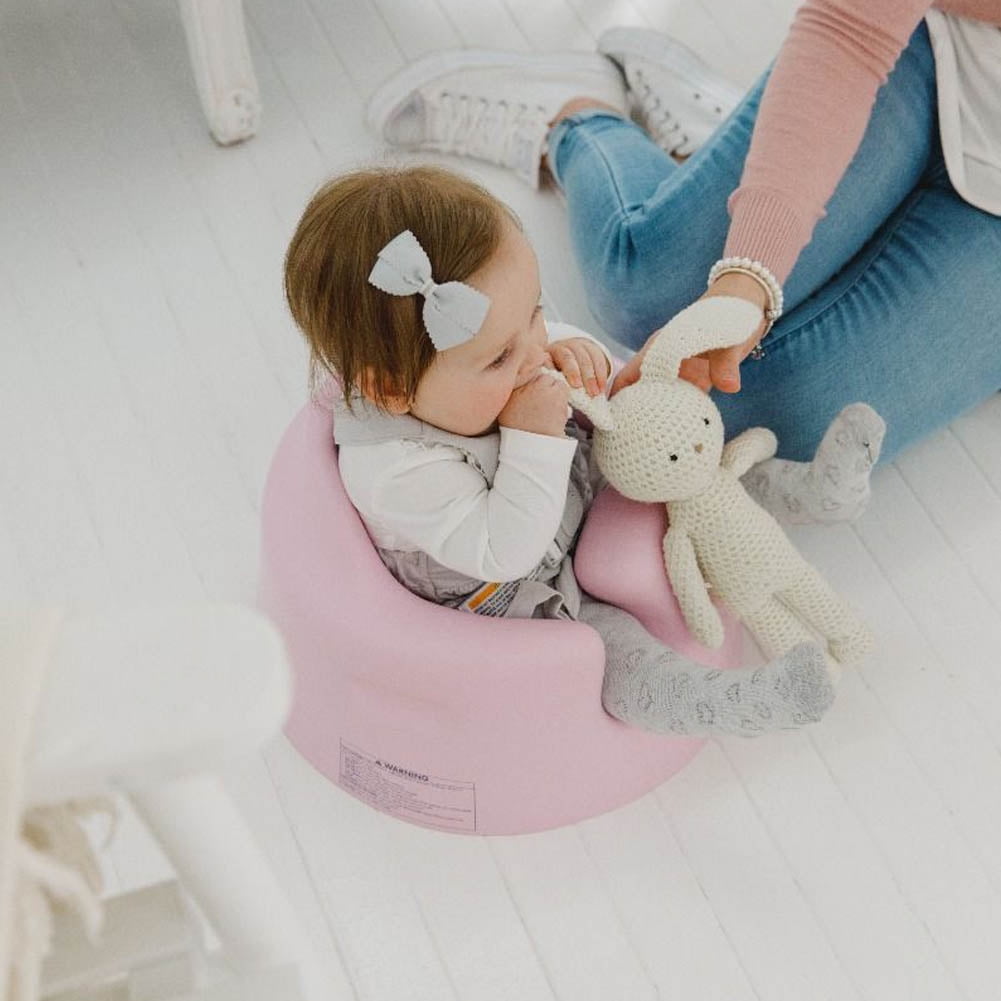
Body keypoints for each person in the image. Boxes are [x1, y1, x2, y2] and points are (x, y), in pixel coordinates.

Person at [282, 164, 853, 739]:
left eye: (532, 312)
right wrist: (532, 438)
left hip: (571, 494)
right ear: (392, 391)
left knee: (689, 471)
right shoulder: (396, 471)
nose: (534, 352)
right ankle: (723, 702)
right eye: (502, 357)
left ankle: (803, 489)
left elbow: (533, 341)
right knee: (610, 656)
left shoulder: (478, 367)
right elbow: (504, 550)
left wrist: (568, 344)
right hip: (520, 586)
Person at [363, 1, 1001, 462]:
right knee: (644, 282)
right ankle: (582, 122)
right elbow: (852, 26)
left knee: (777, 417)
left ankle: (703, 149)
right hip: (934, 53)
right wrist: (745, 278)